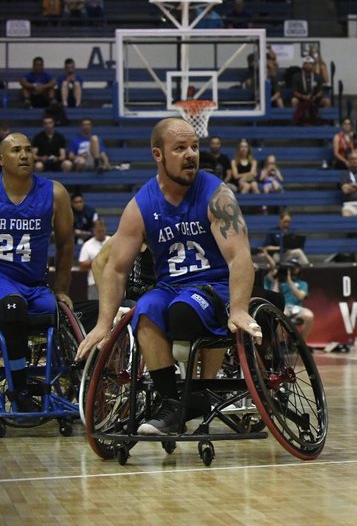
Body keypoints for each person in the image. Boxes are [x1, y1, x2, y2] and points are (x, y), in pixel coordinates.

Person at [75, 118, 261, 435]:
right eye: (180, 148)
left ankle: (197, 395)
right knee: (144, 311)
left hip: (214, 287)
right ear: (158, 155)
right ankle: (171, 404)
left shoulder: (217, 194)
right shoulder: (141, 204)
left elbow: (240, 255)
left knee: (183, 309)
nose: (191, 154)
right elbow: (115, 268)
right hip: (170, 287)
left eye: (194, 147)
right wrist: (104, 325)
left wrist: (241, 308)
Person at [0, 132, 74, 412]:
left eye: (28, 150)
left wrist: (63, 288)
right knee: (12, 306)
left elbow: (66, 244)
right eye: (16, 150)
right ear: (1, 159)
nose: (24, 155)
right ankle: (18, 389)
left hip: (35, 283)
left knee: (58, 314)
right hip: (3, 281)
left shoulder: (54, 192)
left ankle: (66, 383)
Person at [264, 256, 313, 340]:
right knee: (279, 317)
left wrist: (289, 280)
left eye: (294, 267)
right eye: (289, 267)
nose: (291, 269)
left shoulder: (302, 284)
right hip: (283, 307)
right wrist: (277, 279)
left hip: (295, 308)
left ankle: (301, 343)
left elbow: (301, 297)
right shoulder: (276, 282)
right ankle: (282, 343)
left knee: (309, 315)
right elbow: (274, 296)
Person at [78, 217, 110, 301]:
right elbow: (82, 265)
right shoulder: (87, 245)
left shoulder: (112, 241)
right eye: (99, 231)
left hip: (111, 282)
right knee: (95, 308)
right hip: (94, 283)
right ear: (94, 231)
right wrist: (99, 261)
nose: (101, 233)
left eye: (102, 231)